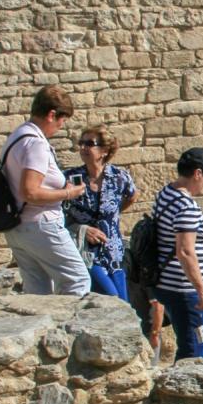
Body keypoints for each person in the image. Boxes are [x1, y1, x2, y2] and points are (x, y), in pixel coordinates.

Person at [3, 86, 89, 296]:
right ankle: (73, 327)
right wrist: (69, 193)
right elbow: (30, 192)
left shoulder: (18, 135)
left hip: (18, 227)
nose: (61, 126)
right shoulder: (36, 144)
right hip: (41, 225)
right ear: (52, 115)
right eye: (62, 120)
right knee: (77, 280)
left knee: (37, 290)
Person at [154, 148, 203, 360]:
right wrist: (202, 290)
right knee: (196, 348)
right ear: (198, 173)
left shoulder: (167, 193)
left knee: (198, 341)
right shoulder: (186, 206)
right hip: (185, 289)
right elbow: (185, 250)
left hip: (170, 284)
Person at [63, 125, 137, 300]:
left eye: (89, 143)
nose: (83, 148)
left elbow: (132, 196)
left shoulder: (120, 177)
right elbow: (58, 214)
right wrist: (83, 229)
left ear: (104, 150)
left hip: (114, 253)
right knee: (111, 298)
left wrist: (112, 215)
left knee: (123, 304)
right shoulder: (70, 178)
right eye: (81, 143)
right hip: (86, 253)